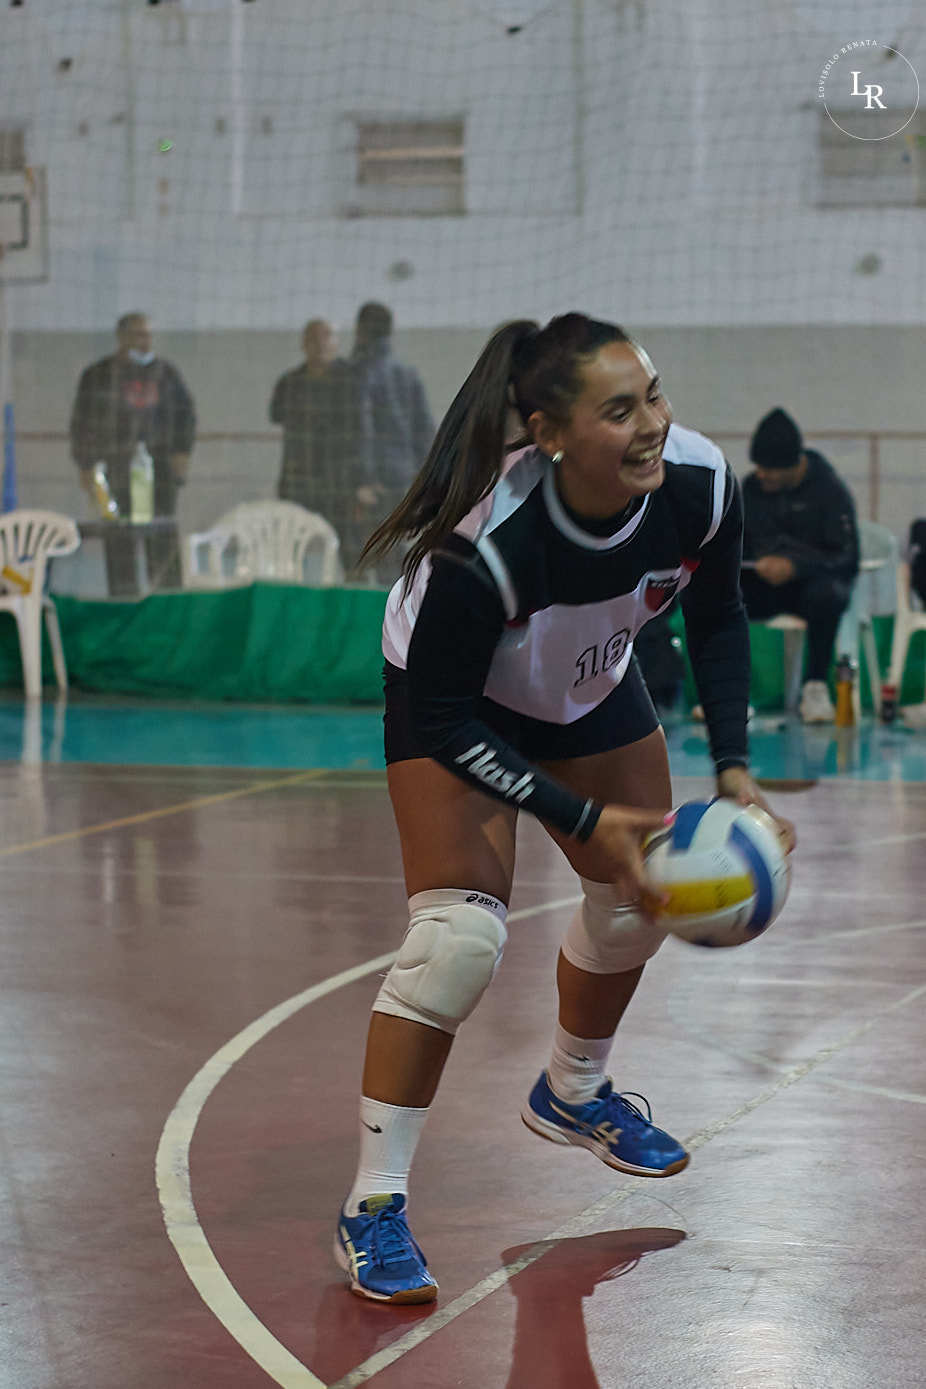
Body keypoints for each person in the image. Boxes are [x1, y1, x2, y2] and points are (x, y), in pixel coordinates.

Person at [334, 313, 795, 1305]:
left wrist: (733, 768)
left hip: (585, 683)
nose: (651, 424)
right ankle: (372, 1203)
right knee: (456, 940)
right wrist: (580, 819)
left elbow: (717, 616)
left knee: (641, 894)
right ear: (547, 433)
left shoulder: (699, 484)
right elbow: (446, 722)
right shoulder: (481, 548)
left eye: (653, 396)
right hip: (459, 701)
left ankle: (573, 1091)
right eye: (618, 411)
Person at [741, 408, 860, 723]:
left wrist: (795, 567)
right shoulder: (751, 489)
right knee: (718, 591)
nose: (761, 474)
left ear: (792, 466)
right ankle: (730, 690)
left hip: (812, 589)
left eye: (768, 469)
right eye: (758, 467)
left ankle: (815, 687)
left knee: (829, 594)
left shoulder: (829, 491)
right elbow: (737, 542)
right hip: (764, 584)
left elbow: (847, 557)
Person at [69, 312, 195, 594]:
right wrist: (86, 466)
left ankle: (165, 600)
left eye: (148, 335)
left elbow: (186, 415)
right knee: (119, 539)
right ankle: (124, 601)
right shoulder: (98, 376)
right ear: (122, 337)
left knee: (162, 539)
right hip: (114, 471)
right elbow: (81, 423)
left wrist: (181, 453)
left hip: (159, 472)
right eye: (139, 335)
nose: (145, 342)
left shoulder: (166, 374)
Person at [269, 319, 371, 568]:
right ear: (304, 344)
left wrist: (362, 480)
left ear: (336, 343)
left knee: (348, 548)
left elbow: (363, 433)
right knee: (293, 546)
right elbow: (275, 414)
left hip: (341, 483)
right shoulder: (290, 382)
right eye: (314, 338)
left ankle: (350, 588)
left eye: (327, 337)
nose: (320, 344)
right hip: (299, 480)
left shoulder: (351, 380)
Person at [350, 302, 435, 580]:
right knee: (394, 542)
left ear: (361, 330)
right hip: (406, 474)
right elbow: (426, 428)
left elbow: (363, 428)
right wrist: (423, 474)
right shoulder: (408, 373)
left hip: (376, 478)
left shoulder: (361, 372)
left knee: (370, 548)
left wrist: (366, 478)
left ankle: (385, 599)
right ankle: (400, 596)